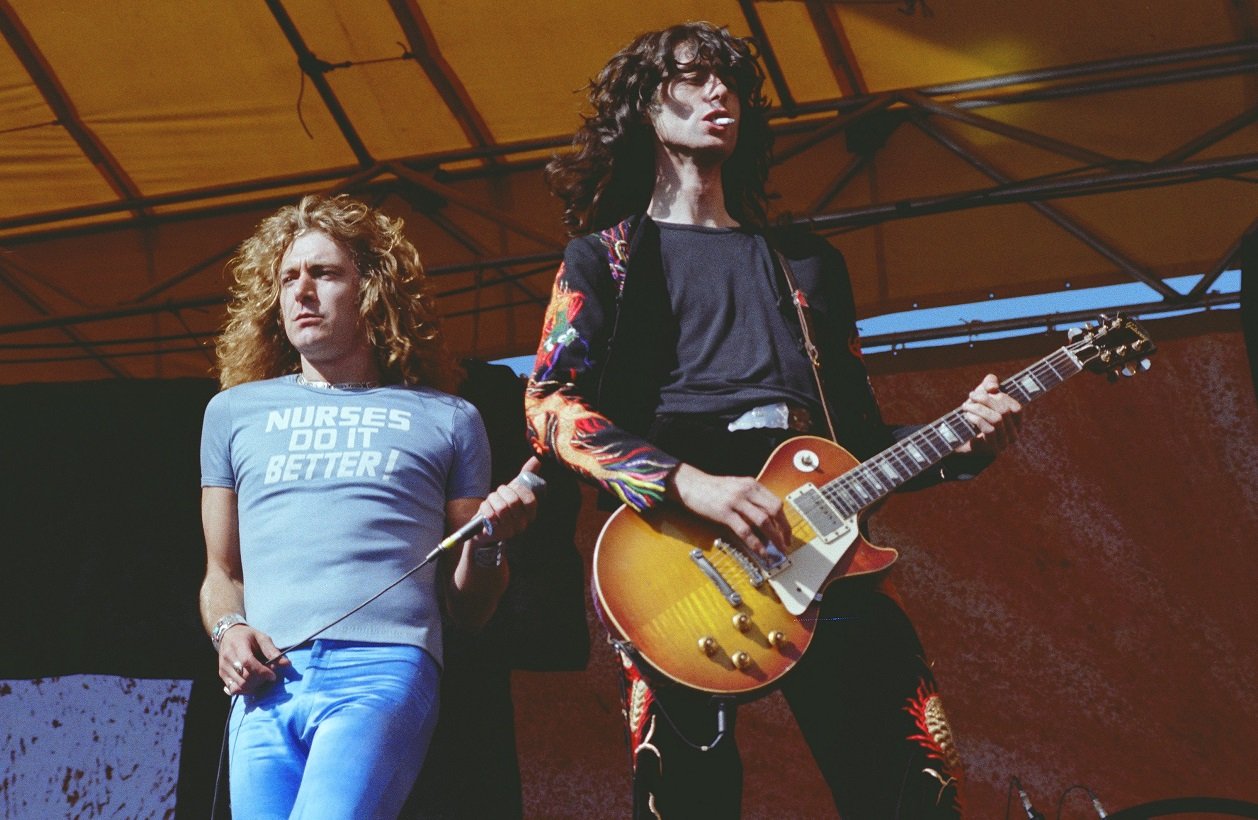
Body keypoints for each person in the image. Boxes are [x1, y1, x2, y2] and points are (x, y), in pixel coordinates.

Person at [524, 21, 1022, 819]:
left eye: (729, 81)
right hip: (680, 550)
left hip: (820, 546)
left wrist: (965, 441)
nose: (718, 92)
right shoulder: (605, 258)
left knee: (917, 792)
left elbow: (857, 445)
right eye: (693, 78)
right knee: (687, 801)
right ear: (648, 107)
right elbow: (548, 407)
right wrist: (691, 484)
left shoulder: (809, 264)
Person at [198, 195, 538, 819]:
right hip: (267, 683)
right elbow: (222, 575)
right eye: (288, 278)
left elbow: (469, 608)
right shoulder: (232, 413)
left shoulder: (450, 419)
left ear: (372, 290)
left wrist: (490, 543)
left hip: (382, 671)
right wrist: (229, 631)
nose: (302, 291)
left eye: (324, 274)